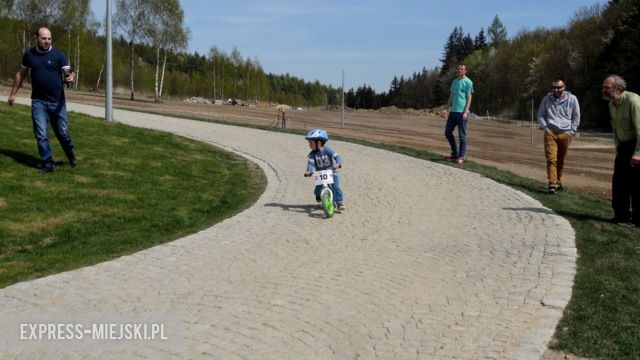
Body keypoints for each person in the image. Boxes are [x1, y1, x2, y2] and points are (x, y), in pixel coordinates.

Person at [7, 26, 77, 173]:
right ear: (37, 38)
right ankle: (48, 164)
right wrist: (13, 93)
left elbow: (68, 72)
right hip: (38, 102)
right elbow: (21, 74)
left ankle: (70, 152)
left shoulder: (58, 55)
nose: (47, 41)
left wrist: (71, 76)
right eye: (44, 38)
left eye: (49, 38)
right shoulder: (29, 55)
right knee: (41, 134)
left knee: (62, 133)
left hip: (58, 101)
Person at [602, 75, 640, 227]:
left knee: (637, 184)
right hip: (623, 146)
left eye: (606, 87)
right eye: (603, 87)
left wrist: (638, 153)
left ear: (618, 88)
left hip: (636, 144)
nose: (603, 90)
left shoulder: (633, 101)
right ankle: (621, 216)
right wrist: (618, 148)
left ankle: (637, 220)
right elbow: (615, 128)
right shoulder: (611, 104)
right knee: (619, 182)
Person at [537, 79, 581, 194]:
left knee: (560, 160)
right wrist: (545, 127)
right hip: (550, 132)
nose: (556, 90)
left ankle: (558, 182)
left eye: (559, 87)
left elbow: (576, 116)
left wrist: (572, 131)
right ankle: (552, 184)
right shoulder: (547, 99)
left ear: (564, 87)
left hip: (566, 133)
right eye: (554, 87)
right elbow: (541, 115)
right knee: (552, 159)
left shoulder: (572, 99)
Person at [303, 129, 345, 211]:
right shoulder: (312, 154)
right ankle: (318, 195)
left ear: (318, 143)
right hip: (320, 174)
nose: (309, 145)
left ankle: (339, 202)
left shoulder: (328, 150)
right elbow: (310, 163)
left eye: (311, 143)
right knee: (318, 188)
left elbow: (337, 156)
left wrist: (338, 164)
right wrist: (309, 171)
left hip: (331, 172)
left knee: (336, 187)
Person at [444, 64, 474, 165]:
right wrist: (446, 109)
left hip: (462, 113)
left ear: (465, 71)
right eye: (458, 69)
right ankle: (455, 153)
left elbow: (469, 97)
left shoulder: (468, 82)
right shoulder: (454, 82)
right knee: (448, 132)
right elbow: (451, 96)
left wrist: (466, 111)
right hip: (453, 112)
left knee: (462, 136)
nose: (459, 70)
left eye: (461, 69)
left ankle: (461, 156)